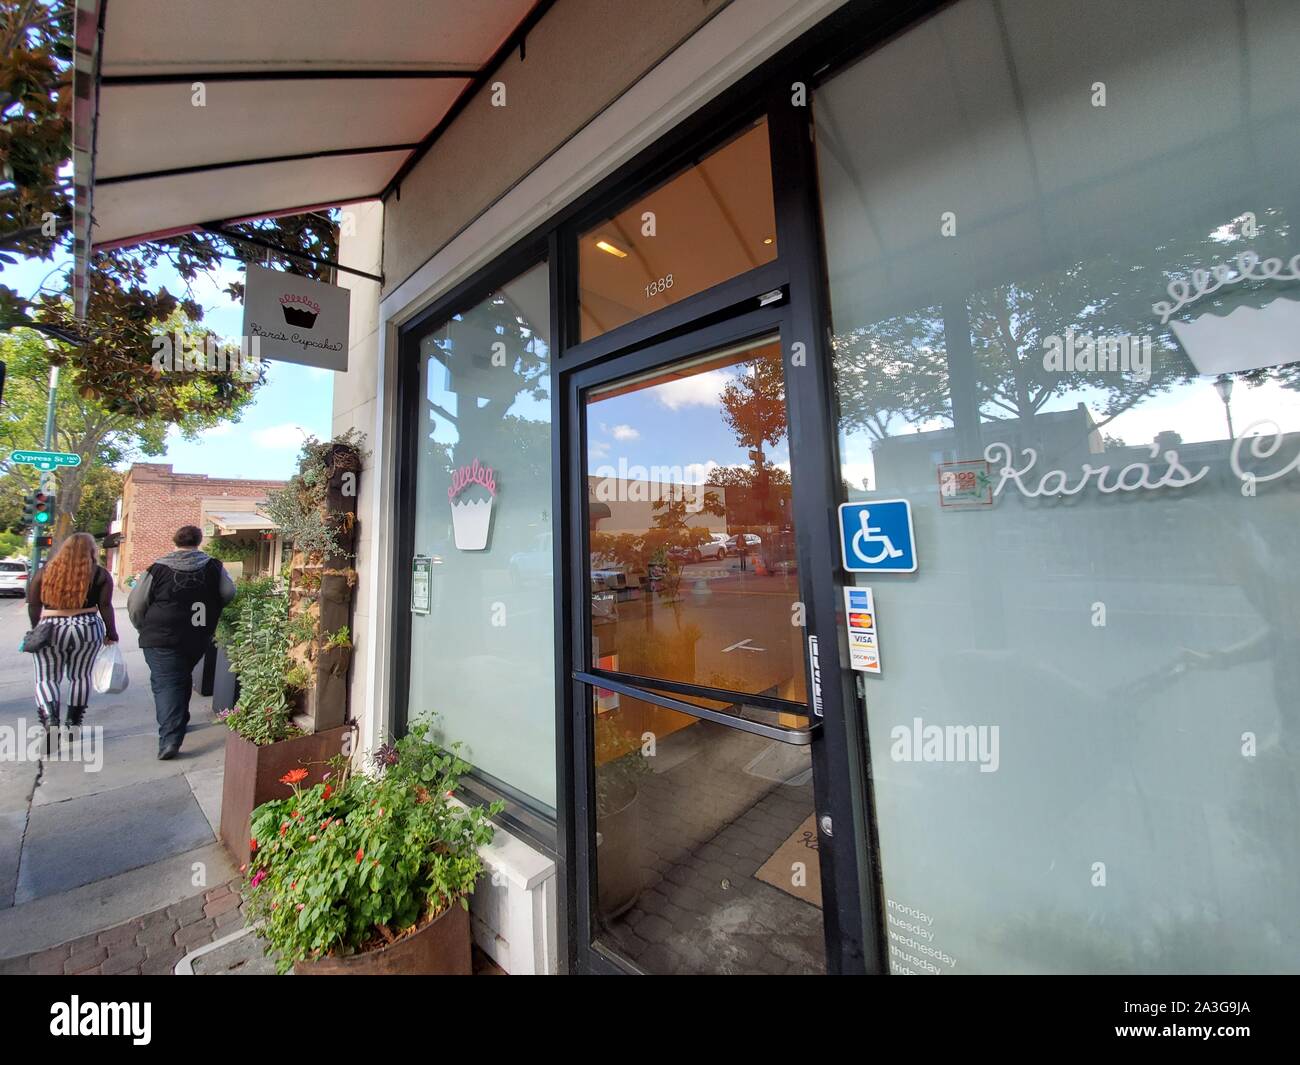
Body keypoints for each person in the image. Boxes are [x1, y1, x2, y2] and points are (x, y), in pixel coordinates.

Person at [128, 525, 236, 760]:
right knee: (180, 676)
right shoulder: (212, 566)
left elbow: (136, 604)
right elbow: (228, 592)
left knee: (166, 684)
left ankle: (169, 738)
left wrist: (142, 626)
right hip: (197, 634)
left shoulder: (158, 568)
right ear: (199, 541)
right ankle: (179, 721)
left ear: (174, 540)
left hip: (161, 635)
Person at [27, 532, 119, 733]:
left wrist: (36, 630)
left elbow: (34, 604)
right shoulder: (100, 574)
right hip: (87, 626)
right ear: (92, 550)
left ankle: (51, 719)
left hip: (50, 626)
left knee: (46, 678)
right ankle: (73, 724)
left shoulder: (45, 572)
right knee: (81, 676)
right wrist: (111, 632)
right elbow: (105, 605)